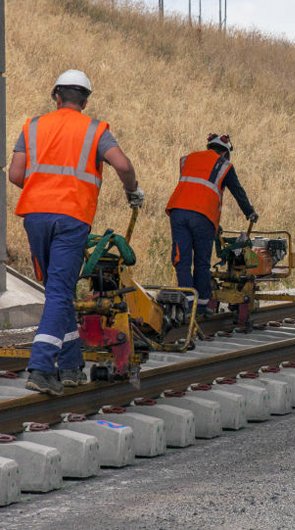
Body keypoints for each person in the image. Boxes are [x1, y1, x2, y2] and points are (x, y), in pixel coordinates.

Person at [8, 69, 144, 396]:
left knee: (59, 291)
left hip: (36, 216)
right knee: (59, 291)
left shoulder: (33, 127)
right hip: (71, 217)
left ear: (56, 96)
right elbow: (123, 166)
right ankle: (41, 367)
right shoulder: (95, 131)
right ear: (84, 100)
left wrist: (44, 189)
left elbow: (15, 174)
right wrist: (132, 191)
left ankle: (70, 367)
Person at [165, 134, 258, 316]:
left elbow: (192, 186)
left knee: (181, 259)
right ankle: (201, 307)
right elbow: (237, 191)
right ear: (224, 152)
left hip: (178, 211)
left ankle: (186, 303)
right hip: (203, 216)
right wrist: (250, 212)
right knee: (201, 262)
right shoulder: (223, 165)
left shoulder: (188, 159)